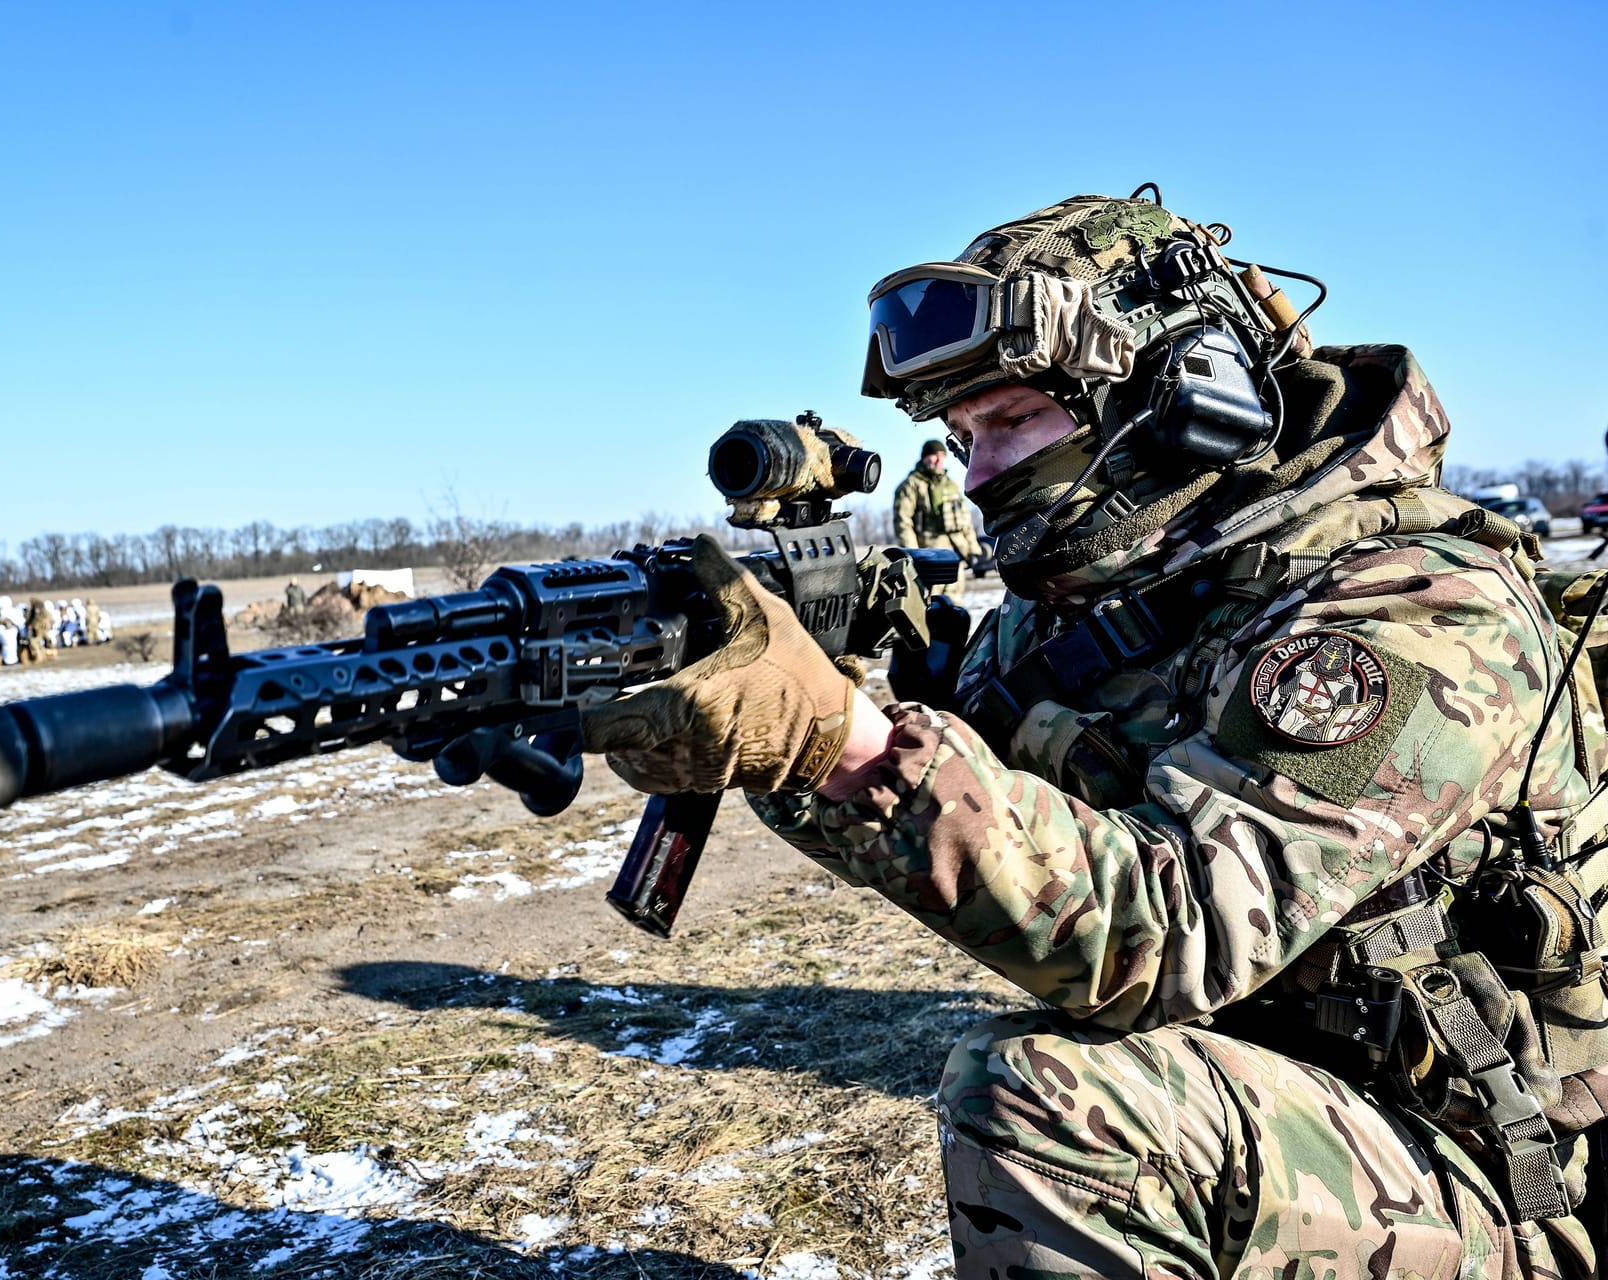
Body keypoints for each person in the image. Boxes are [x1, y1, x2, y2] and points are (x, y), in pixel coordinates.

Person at [581, 191, 1608, 1277]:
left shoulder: (1419, 608)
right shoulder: (1103, 602)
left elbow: (1169, 926)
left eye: (1013, 420)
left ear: (1185, 399)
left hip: (1507, 1175)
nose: (977, 477)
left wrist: (842, 740)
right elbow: (980, 824)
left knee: (1056, 1106)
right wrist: (786, 708)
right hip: (1306, 1101)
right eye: (961, 435)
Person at [892, 439, 983, 591]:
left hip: (955, 552)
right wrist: (913, 555)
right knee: (931, 603)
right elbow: (903, 523)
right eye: (934, 455)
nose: (939, 460)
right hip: (929, 555)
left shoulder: (950, 485)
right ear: (924, 457)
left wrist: (973, 550)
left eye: (942, 455)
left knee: (954, 602)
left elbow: (964, 520)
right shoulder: (911, 485)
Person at [0, 595, 24, 666]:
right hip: (7, 632)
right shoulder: (3, 612)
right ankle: (9, 660)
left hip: (6, 632)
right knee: (9, 644)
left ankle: (9, 660)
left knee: (10, 645)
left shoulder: (5, 612)